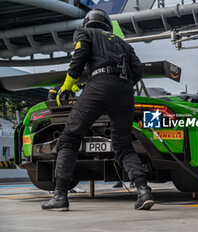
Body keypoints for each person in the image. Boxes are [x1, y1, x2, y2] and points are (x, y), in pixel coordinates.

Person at [41, 9, 154, 211]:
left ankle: (60, 196)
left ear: (87, 22)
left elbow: (80, 56)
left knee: (69, 137)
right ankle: (143, 190)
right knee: (124, 146)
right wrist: (122, 85)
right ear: (107, 25)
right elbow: (138, 70)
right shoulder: (123, 43)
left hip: (99, 83)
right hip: (125, 90)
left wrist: (68, 84)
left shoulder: (84, 33)